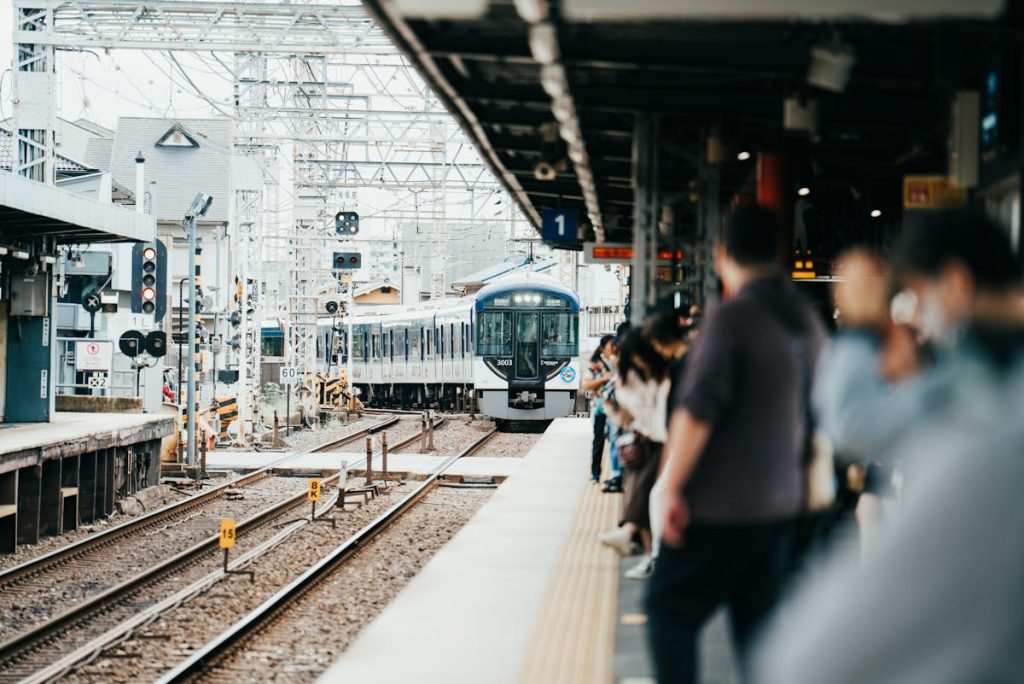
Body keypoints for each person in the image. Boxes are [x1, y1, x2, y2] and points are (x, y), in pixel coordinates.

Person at [646, 204, 826, 683]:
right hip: (782, 507)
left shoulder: (733, 318)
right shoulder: (805, 322)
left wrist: (669, 487)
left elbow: (698, 410)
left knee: (668, 611)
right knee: (760, 636)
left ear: (722, 254)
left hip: (720, 509)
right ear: (781, 254)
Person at [598, 328, 671, 578]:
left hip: (662, 441)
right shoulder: (647, 377)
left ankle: (629, 532)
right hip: (648, 440)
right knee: (645, 494)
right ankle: (646, 550)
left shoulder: (664, 376)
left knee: (650, 493)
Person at [583, 335, 615, 482]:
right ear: (603, 348)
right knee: (599, 440)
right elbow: (586, 385)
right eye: (611, 346)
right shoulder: (595, 364)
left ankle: (617, 475)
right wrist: (604, 378)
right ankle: (595, 473)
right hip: (601, 408)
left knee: (616, 440)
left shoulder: (619, 361)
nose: (614, 349)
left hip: (617, 409)